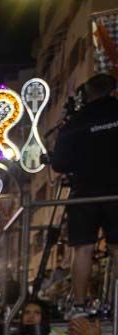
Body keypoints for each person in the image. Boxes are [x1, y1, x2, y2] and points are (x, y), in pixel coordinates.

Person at [50, 72, 118, 317]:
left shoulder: (75, 121)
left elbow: (58, 163)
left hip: (84, 193)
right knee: (117, 247)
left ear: (86, 94)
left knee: (83, 249)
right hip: (115, 193)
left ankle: (79, 306)